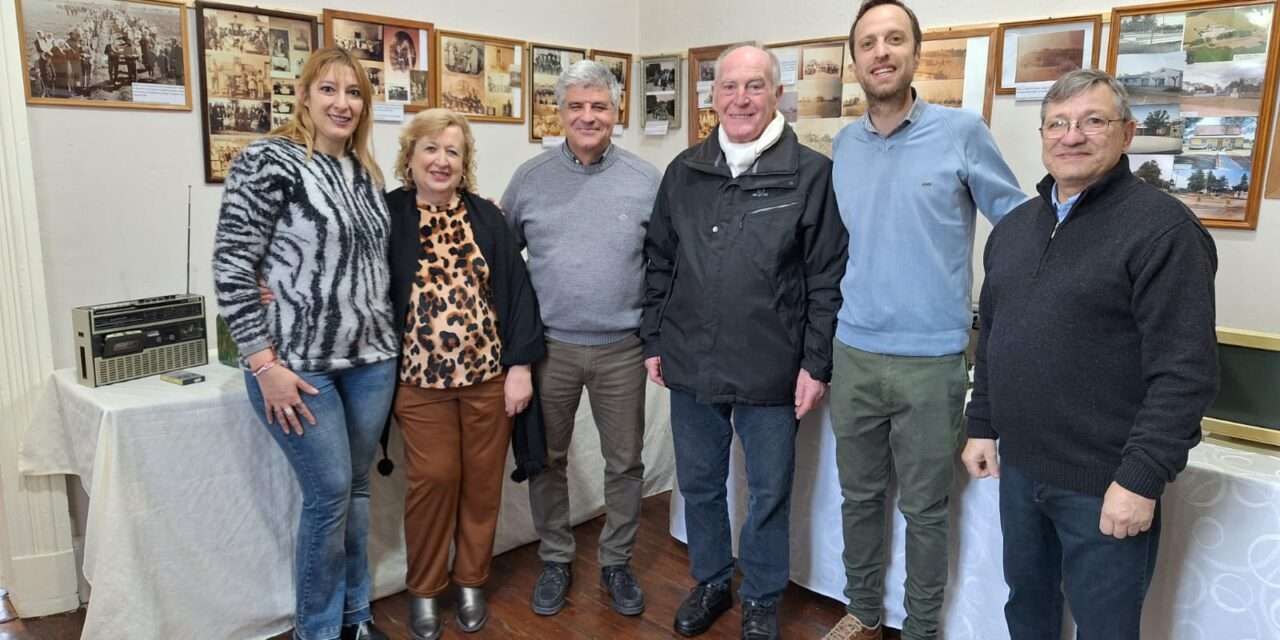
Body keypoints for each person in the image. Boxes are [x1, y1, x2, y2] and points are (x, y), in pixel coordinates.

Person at [961, 69, 1219, 639]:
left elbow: (1185, 372)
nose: (1071, 135)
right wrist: (981, 424)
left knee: (1105, 627)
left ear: (1126, 134)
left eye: (1093, 121)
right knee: (1026, 609)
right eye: (1058, 123)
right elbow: (996, 335)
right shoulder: (1014, 229)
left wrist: (1141, 480)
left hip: (1107, 481)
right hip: (1022, 469)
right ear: (1043, 134)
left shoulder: (1162, 230)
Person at [822, 2, 1029, 639]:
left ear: (916, 52)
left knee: (925, 511)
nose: (880, 52)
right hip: (853, 351)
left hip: (933, 361)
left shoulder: (963, 131)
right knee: (857, 499)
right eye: (867, 43)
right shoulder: (844, 144)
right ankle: (861, 611)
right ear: (853, 59)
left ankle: (920, 629)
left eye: (893, 40)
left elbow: (1019, 229)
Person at [641, 43, 847, 640]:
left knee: (769, 491)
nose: (740, 98)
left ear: (776, 95)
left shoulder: (811, 174)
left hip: (772, 366)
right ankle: (710, 580)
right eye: (729, 86)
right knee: (700, 483)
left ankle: (760, 596)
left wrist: (816, 363)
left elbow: (826, 277)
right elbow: (659, 261)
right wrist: (654, 338)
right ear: (713, 96)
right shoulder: (685, 171)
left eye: (754, 86)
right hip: (690, 357)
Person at [213, 47, 395, 640]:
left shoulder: (368, 174)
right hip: (297, 366)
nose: (343, 103)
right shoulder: (270, 160)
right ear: (306, 96)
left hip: (371, 359)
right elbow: (232, 265)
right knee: (329, 495)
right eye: (329, 90)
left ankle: (357, 616)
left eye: (354, 92)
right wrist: (263, 364)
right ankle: (317, 630)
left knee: (359, 488)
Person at [501, 60, 661, 619]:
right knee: (547, 459)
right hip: (551, 349)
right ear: (561, 112)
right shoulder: (530, 179)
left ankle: (616, 561)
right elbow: (501, 261)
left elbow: (665, 265)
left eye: (599, 106)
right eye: (577, 106)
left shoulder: (646, 181)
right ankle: (556, 557)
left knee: (625, 464)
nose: (588, 116)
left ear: (616, 113)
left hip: (623, 348)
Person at [386, 108, 546, 640]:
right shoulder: (388, 216)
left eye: (453, 151)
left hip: (486, 380)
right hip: (418, 384)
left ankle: (472, 579)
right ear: (410, 157)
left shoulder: (486, 217)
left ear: (465, 162)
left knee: (482, 485)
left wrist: (520, 367)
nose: (441, 160)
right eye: (430, 148)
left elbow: (518, 294)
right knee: (433, 481)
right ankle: (425, 590)